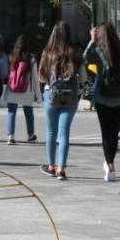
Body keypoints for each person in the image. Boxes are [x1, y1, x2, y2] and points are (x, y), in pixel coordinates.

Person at [84, 22, 120, 182]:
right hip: (119, 98)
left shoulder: (98, 51)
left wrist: (92, 40)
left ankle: (110, 165)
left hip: (102, 98)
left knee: (106, 134)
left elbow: (84, 57)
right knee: (113, 133)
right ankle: (110, 164)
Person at [39, 22, 81, 180]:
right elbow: (82, 77)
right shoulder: (75, 52)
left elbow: (42, 77)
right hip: (70, 97)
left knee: (51, 132)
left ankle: (51, 166)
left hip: (51, 95)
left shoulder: (47, 53)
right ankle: (61, 169)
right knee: (64, 133)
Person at [3, 35, 39, 145]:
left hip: (13, 87)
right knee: (28, 112)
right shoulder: (31, 59)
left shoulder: (11, 57)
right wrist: (38, 94)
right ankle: (30, 134)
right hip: (26, 89)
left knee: (11, 112)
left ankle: (10, 136)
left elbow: (7, 73)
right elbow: (35, 77)